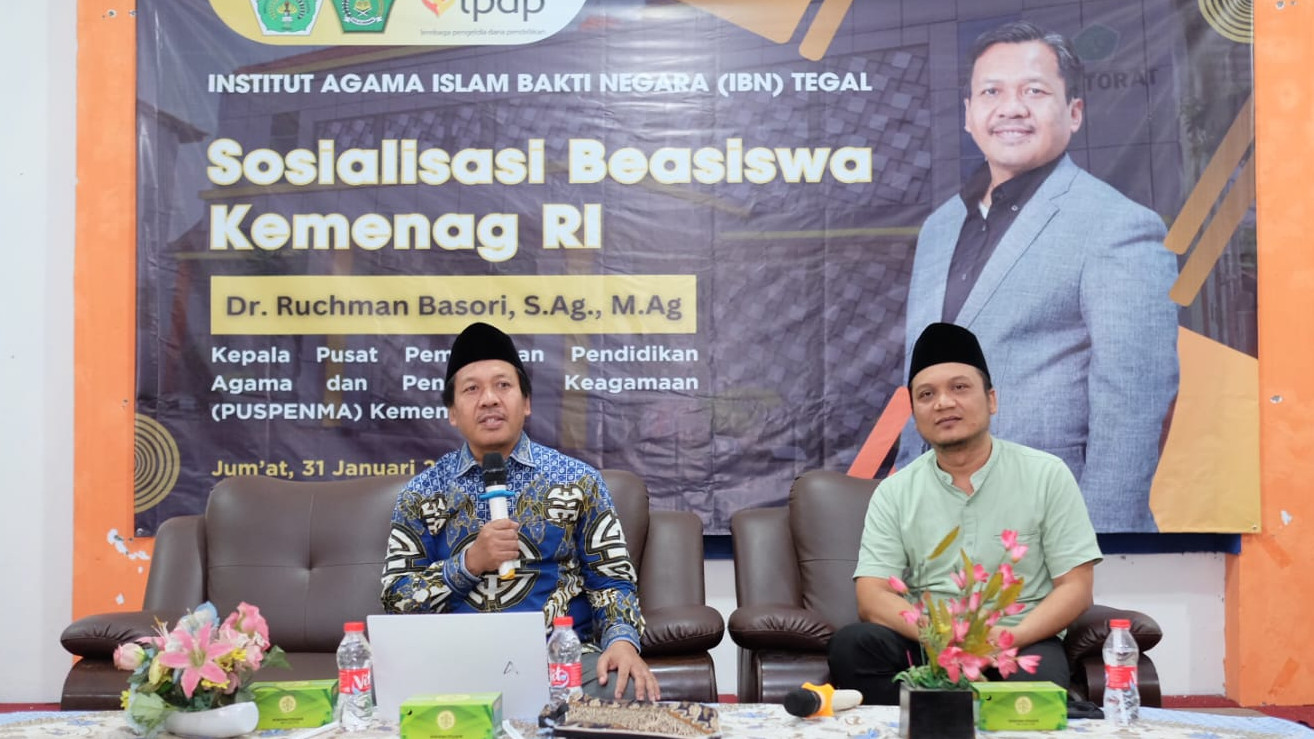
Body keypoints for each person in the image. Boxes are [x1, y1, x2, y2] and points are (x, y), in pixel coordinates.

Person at [896, 20, 1179, 532]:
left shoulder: (1117, 225)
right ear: (968, 114)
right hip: (932, 526)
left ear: (1074, 112)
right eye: (992, 92)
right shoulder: (939, 227)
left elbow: (1134, 405)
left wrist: (1101, 546)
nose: (1011, 108)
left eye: (1034, 91)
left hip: (1048, 527)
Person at [380, 321, 660, 701]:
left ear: (526, 403)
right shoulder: (422, 494)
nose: (489, 399)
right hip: (454, 664)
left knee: (621, 687)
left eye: (503, 385)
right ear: (452, 412)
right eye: (471, 389)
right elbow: (396, 598)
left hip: (560, 663)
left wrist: (622, 642)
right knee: (377, 693)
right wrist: (469, 563)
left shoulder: (578, 482)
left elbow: (611, 582)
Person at [830, 322, 1102, 704]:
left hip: (1017, 640)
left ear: (991, 400)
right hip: (930, 642)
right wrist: (938, 635)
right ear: (915, 413)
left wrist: (1007, 638)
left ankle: (951, 711)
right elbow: (871, 595)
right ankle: (928, 723)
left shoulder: (1046, 475)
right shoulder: (894, 492)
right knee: (853, 647)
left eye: (959, 388)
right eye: (927, 394)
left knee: (1035, 686)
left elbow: (1076, 588)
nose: (943, 403)